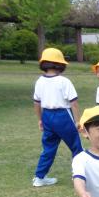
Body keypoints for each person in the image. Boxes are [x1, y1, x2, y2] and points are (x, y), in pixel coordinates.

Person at [32, 47, 82, 187]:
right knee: (76, 147)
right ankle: (79, 176)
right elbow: (74, 103)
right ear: (60, 64)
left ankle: (39, 177)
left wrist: (40, 119)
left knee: (48, 148)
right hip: (63, 116)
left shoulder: (39, 81)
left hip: (47, 116)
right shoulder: (64, 81)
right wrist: (77, 121)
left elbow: (36, 103)